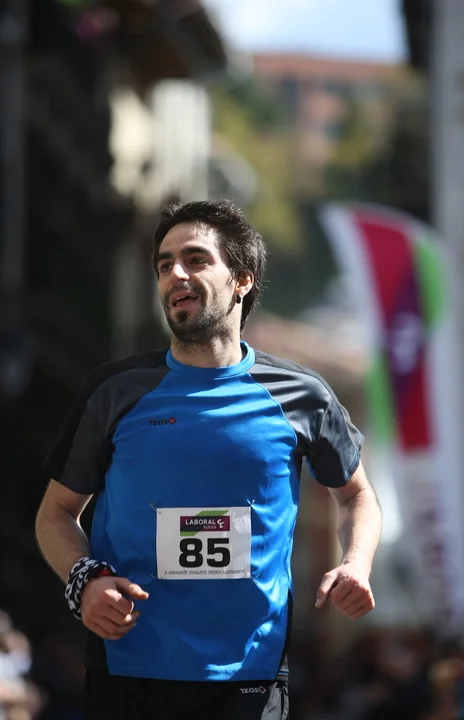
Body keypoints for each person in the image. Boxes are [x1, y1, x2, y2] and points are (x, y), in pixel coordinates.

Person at [35, 199, 382, 720]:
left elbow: (357, 495)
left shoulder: (302, 395)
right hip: (129, 667)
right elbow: (55, 513)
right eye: (164, 264)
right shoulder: (115, 390)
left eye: (195, 259)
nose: (176, 273)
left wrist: (356, 562)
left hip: (250, 674)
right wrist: (85, 579)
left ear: (242, 280)